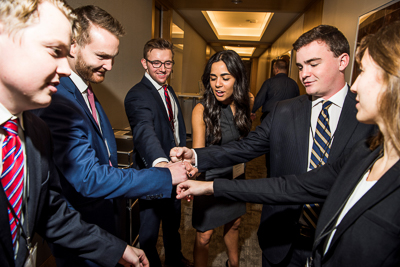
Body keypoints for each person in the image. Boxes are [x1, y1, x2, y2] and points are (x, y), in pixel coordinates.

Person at [175, 21, 400, 267]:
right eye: (301, 66)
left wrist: (209, 187)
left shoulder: (369, 127)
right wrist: (198, 159)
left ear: (342, 61)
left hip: (329, 247)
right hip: (280, 241)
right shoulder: (285, 111)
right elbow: (279, 178)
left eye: (313, 64)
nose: (304, 74)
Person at [32, 6, 188, 267]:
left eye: (113, 57)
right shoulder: (58, 100)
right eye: (102, 56)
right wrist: (164, 173)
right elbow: (89, 177)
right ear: (73, 47)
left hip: (105, 224)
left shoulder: (85, 91)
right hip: (82, 232)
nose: (110, 66)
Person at [0, 0, 149, 266]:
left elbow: (51, 213)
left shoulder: (35, 130)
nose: (66, 68)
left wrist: (116, 249)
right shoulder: (55, 108)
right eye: (55, 50)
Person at [124, 38, 192, 267]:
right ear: (144, 62)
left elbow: (174, 129)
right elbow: (144, 132)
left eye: (168, 63)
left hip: (176, 172)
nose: (163, 69)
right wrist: (162, 164)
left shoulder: (168, 89)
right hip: (154, 174)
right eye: (156, 63)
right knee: (149, 233)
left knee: (173, 223)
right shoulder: (137, 94)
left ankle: (175, 259)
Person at [190, 50, 253, 267]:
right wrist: (189, 177)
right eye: (213, 77)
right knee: (204, 236)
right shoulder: (201, 110)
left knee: (234, 224)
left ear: (238, 78)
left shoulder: (245, 104)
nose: (218, 84)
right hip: (208, 181)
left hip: (235, 177)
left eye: (225, 78)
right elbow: (198, 156)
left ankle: (233, 264)